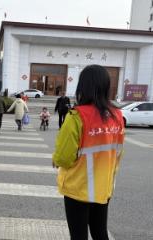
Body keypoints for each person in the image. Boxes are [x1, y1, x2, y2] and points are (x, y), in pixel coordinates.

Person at [52, 65, 125, 240]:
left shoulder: (76, 117)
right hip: (103, 186)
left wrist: (57, 159)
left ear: (82, 87)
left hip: (79, 187)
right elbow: (118, 152)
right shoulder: (117, 116)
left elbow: (64, 157)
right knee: (100, 233)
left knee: (79, 236)